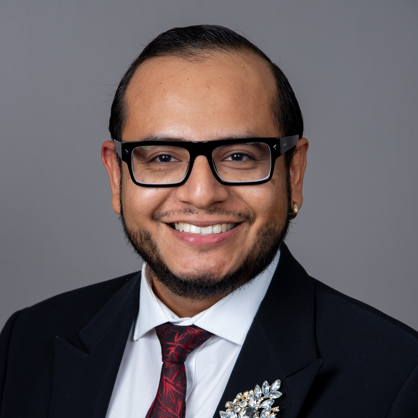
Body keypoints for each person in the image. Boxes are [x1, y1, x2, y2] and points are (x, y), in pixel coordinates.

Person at [0, 24, 417, 418]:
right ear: (116, 175)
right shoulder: (27, 341)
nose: (201, 194)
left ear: (293, 173)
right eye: (163, 157)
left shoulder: (398, 376)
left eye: (238, 156)